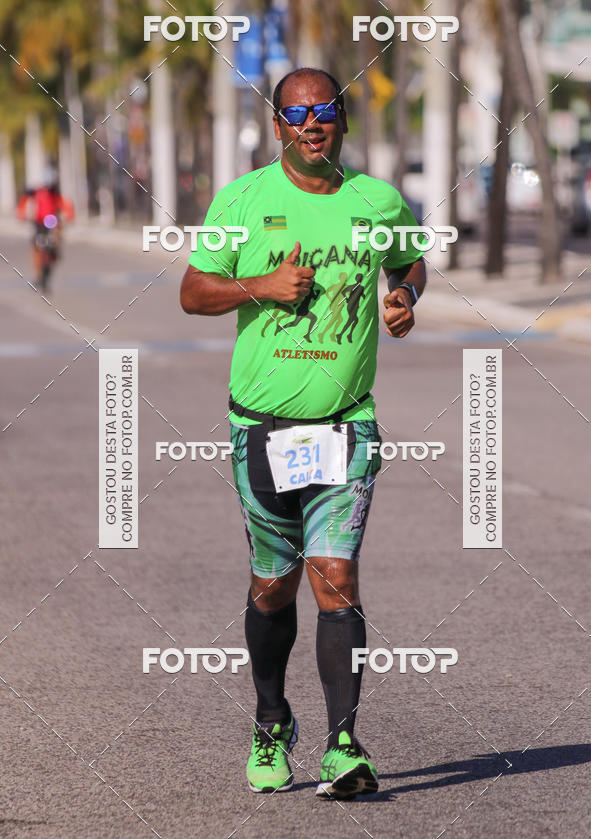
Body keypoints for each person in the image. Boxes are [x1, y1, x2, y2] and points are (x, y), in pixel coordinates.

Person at [180, 67, 426, 800]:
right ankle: (269, 718)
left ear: (342, 119)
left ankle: (343, 745)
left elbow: (409, 254)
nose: (311, 122)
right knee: (271, 586)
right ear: (278, 125)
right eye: (296, 113)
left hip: (346, 428)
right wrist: (262, 286)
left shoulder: (376, 201)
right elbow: (194, 292)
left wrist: (405, 293)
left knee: (338, 580)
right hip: (260, 428)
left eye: (324, 110)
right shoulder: (244, 200)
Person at [17, 168, 74, 291]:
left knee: (55, 242)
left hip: (51, 222)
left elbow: (65, 205)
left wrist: (69, 215)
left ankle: (53, 258)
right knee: (36, 247)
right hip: (38, 223)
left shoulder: (55, 193)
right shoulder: (35, 192)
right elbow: (23, 202)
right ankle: (37, 274)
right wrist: (22, 214)